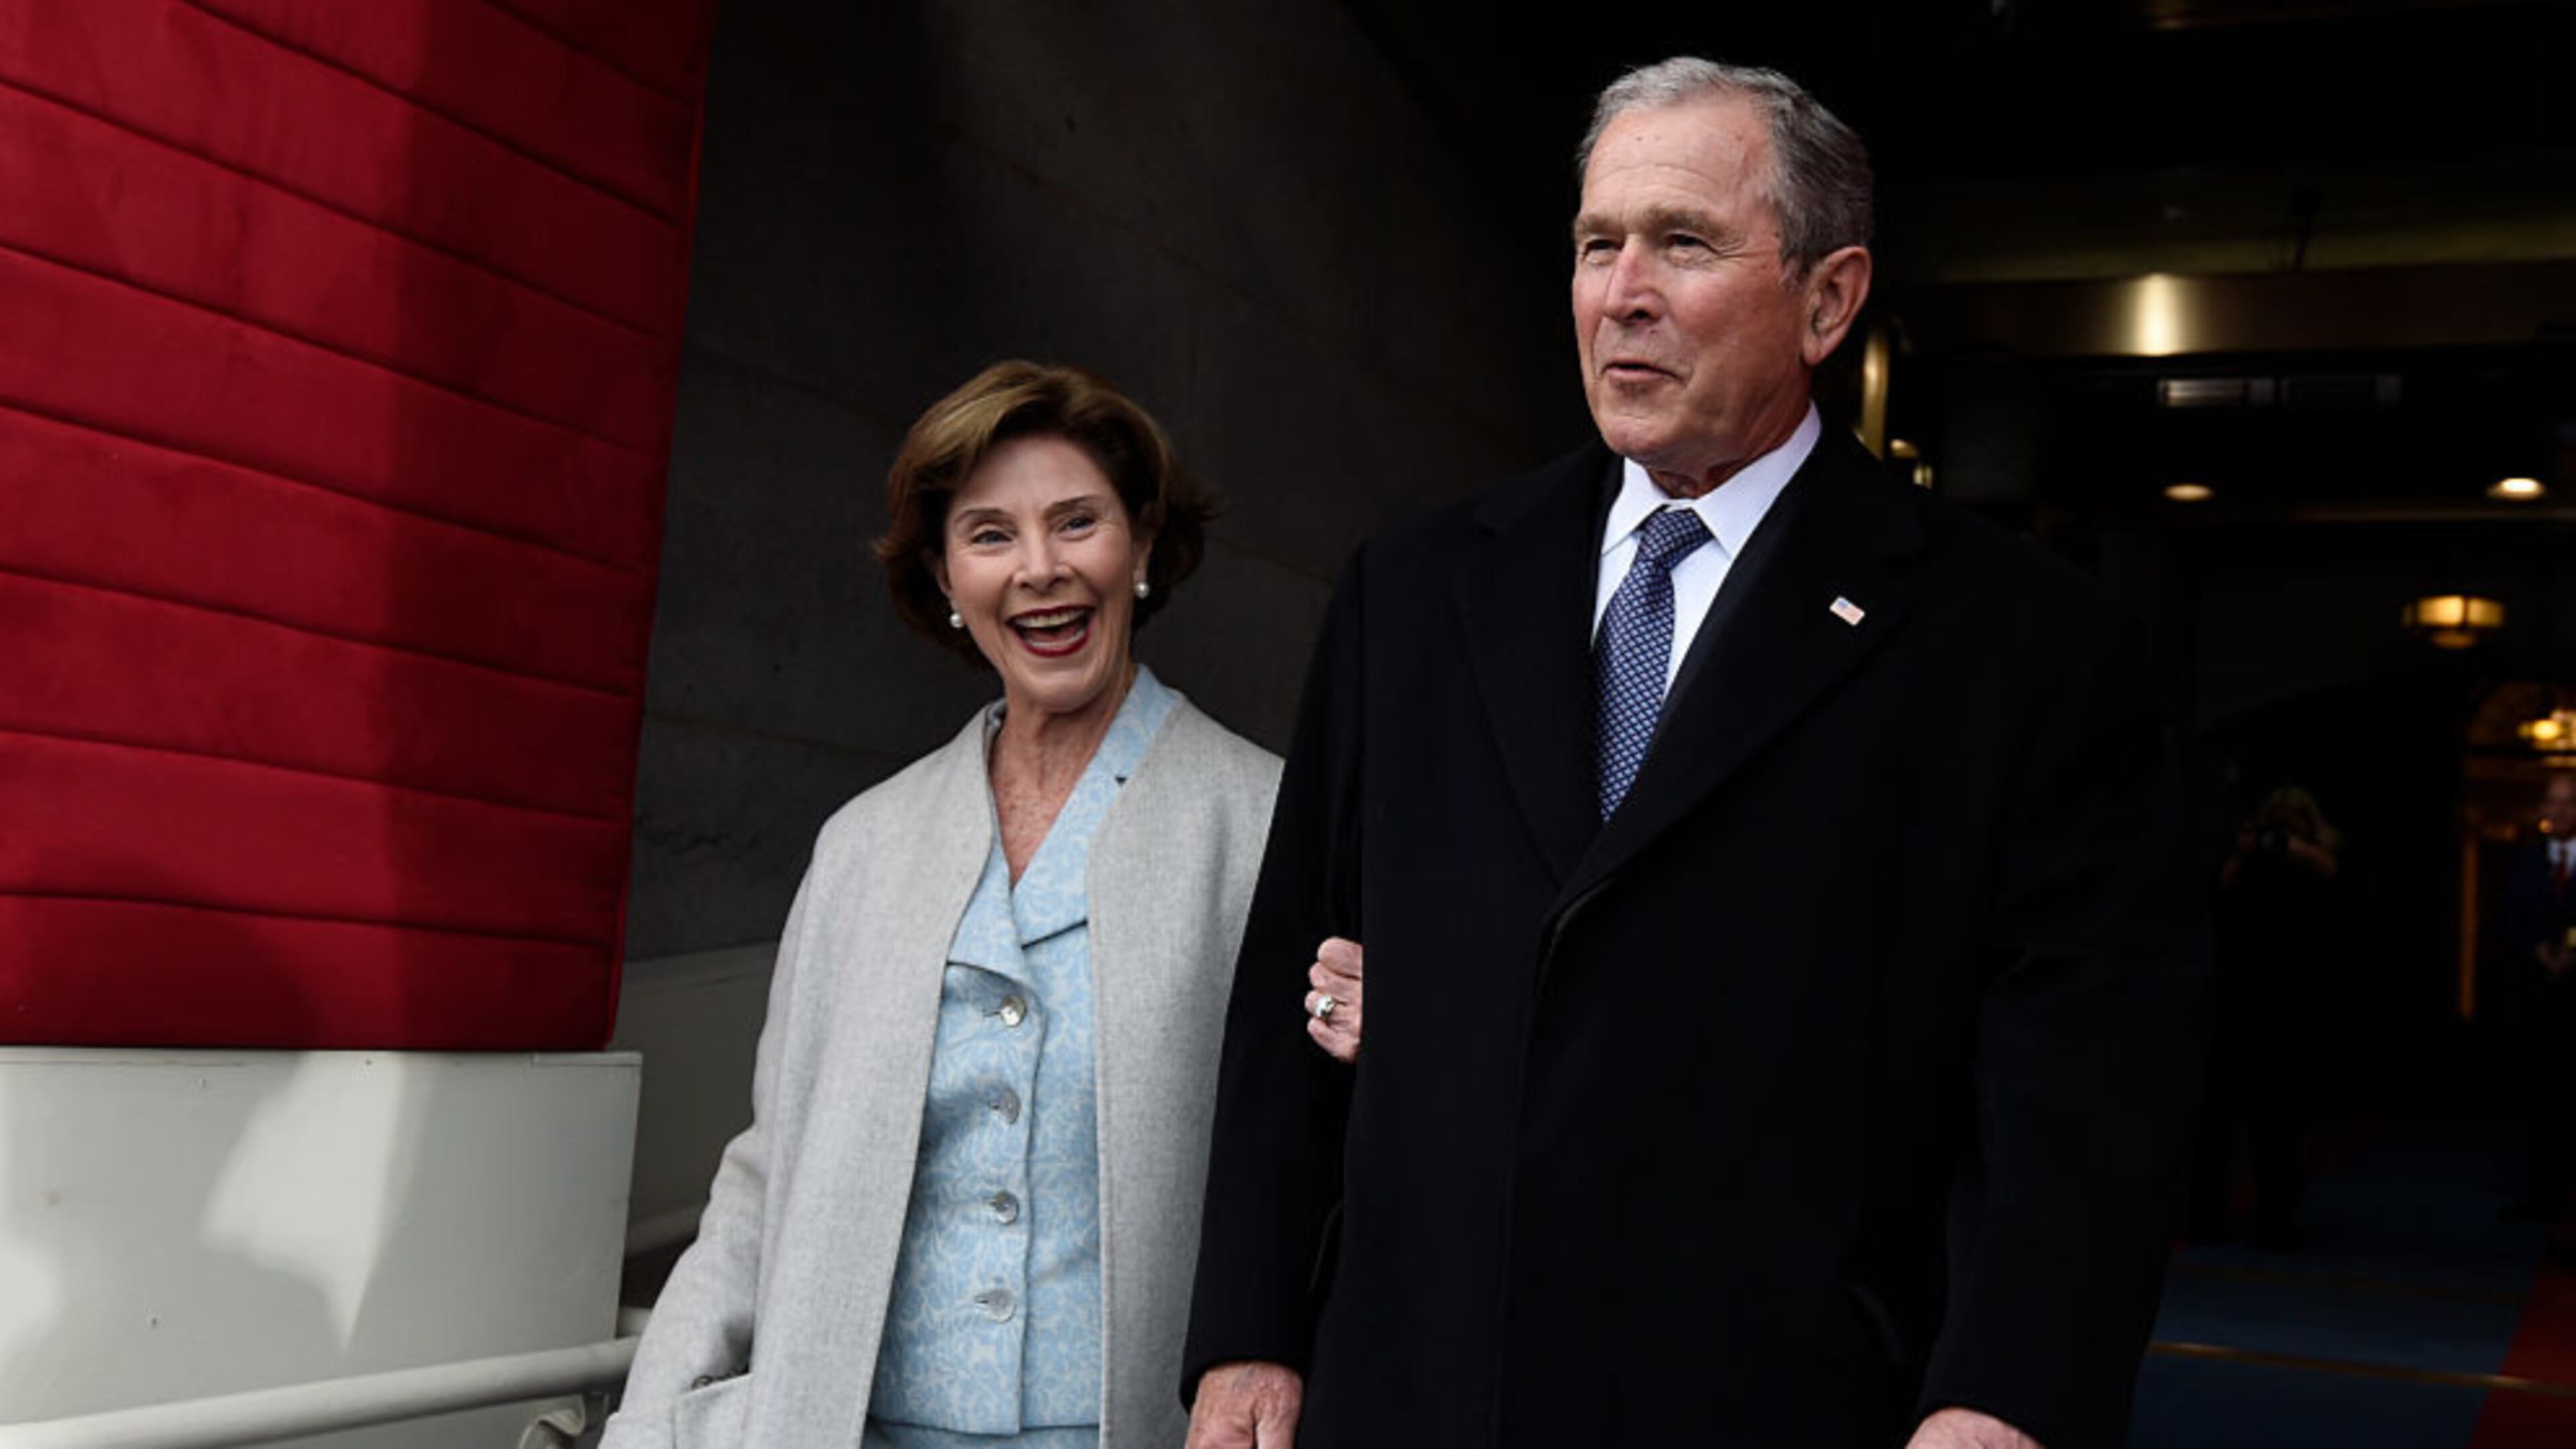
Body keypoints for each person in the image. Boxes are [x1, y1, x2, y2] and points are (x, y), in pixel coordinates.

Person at [1181, 58, 2207, 1449]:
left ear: (1830, 300)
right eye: (1599, 245)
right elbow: (1288, 983)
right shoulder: (1415, 592)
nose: (1623, 293)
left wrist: (2004, 1398)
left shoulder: (2019, 645)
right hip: (1413, 1388)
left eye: (1684, 243)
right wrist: (1247, 1334)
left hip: (1784, 1396)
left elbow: (2082, 1087)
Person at [603, 362, 1281, 1449]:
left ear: (1144, 546)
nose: (1042, 572)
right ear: (943, 577)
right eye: (991, 535)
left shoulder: (1263, 826)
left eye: (1078, 522)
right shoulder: (863, 846)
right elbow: (770, 1167)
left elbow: (1326, 1183)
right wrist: (650, 1415)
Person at [2191, 786, 2342, 1249]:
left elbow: (2334, 883)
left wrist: (2300, 852)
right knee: (2216, 1118)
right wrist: (2244, 856)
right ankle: (2207, 1216)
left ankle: (2276, 1216)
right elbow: (2217, 893)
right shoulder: (2247, 862)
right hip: (2234, 1001)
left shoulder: (2315, 864)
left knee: (2278, 1119)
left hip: (2289, 1008)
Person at [2503, 773, 2576, 1220]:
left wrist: (2573, 949)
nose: (2561, 811)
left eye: (2570, 803)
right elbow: (2512, 918)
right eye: (2554, 802)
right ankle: (2536, 1194)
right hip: (2537, 1000)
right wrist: (2538, 950)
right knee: (2538, 1097)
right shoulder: (2528, 863)